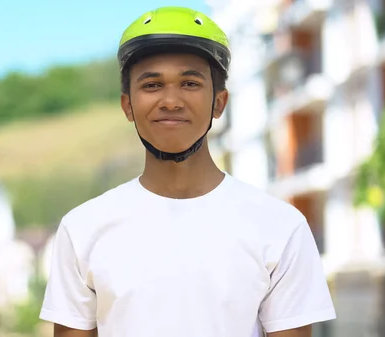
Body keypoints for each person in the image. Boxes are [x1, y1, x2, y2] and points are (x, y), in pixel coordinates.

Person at [39, 6, 336, 337]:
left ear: (219, 103)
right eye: (152, 85)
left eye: (190, 83)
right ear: (127, 106)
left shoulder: (280, 227)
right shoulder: (83, 229)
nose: (170, 100)